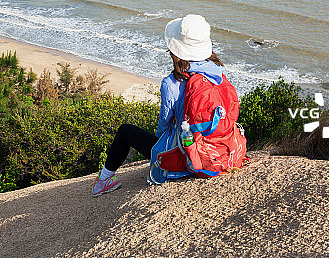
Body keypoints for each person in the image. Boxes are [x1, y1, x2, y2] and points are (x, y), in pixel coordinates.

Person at [92, 14, 228, 196]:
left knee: (125, 131)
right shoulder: (218, 73)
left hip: (183, 156)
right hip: (215, 149)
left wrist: (157, 146)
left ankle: (103, 181)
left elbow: (164, 125)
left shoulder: (171, 83)